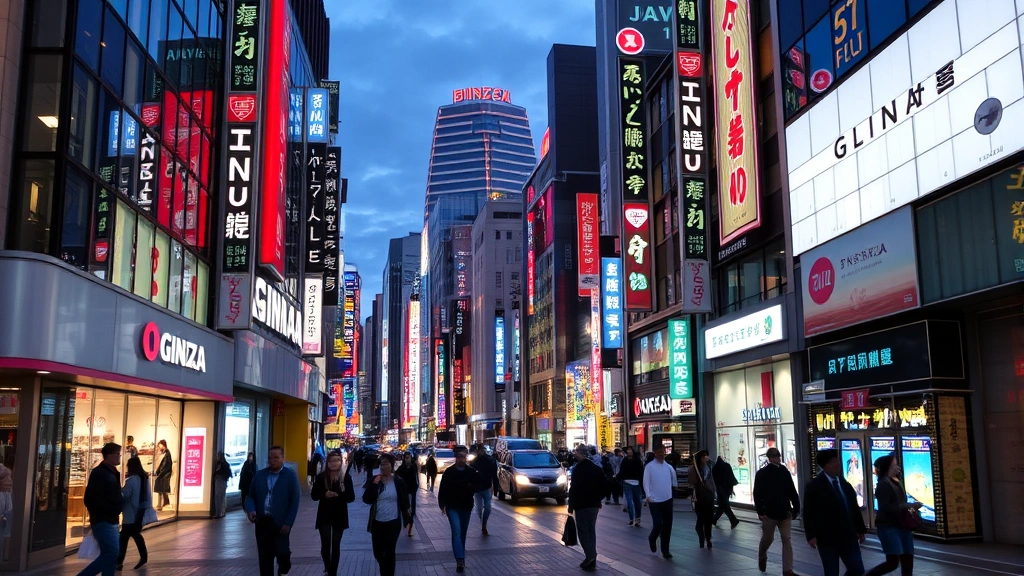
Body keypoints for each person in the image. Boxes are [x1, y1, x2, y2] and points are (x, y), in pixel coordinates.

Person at [804, 449, 867, 576]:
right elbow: (808, 511)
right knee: (831, 571)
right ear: (825, 466)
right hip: (827, 538)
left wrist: (861, 530)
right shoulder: (814, 486)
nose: (838, 464)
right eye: (834, 462)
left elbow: (853, 508)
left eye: (838, 460)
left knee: (857, 569)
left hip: (848, 535)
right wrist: (811, 535)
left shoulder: (844, 484)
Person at [244, 446, 302, 576]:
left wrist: (288, 522)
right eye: (270, 457)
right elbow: (250, 496)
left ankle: (284, 567)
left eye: (276, 457)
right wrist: (251, 510)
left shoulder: (289, 475)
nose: (272, 460)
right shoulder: (260, 475)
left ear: (283, 458)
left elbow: (295, 501)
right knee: (265, 558)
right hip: (263, 522)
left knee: (282, 553)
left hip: (281, 523)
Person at [864, 454, 921, 576]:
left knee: (907, 559)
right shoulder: (883, 484)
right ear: (888, 467)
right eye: (894, 465)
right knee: (893, 562)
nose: (898, 467)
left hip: (902, 526)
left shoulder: (896, 481)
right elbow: (887, 507)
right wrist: (909, 506)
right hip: (889, 526)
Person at [77, 442, 123, 576]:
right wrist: (111, 508)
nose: (119, 457)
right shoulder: (100, 473)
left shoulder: (112, 472)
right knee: (111, 553)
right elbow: (90, 498)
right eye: (117, 454)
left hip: (110, 519)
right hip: (104, 520)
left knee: (110, 554)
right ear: (109, 456)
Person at [363, 453, 412, 576]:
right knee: (378, 553)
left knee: (390, 551)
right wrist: (374, 485)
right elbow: (367, 499)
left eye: (386, 464)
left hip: (393, 522)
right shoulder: (375, 480)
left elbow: (405, 501)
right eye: (382, 464)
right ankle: (385, 570)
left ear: (392, 466)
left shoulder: (399, 481)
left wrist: (408, 518)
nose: (383, 467)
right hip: (377, 522)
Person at [753, 447, 800, 576]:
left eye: (779, 455)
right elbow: (757, 493)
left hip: (784, 511)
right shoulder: (762, 473)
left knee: (787, 539)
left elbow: (791, 490)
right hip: (770, 512)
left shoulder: (784, 471)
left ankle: (787, 570)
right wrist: (760, 511)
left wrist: (796, 506)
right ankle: (762, 555)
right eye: (775, 456)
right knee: (768, 539)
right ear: (770, 458)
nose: (778, 458)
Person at [437, 445, 480, 573]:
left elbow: (478, 486)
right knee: (456, 530)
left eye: (464, 456)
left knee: (462, 533)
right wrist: (442, 504)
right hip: (452, 506)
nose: (462, 459)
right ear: (456, 457)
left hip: (466, 506)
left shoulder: (471, 472)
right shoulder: (449, 472)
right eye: (459, 456)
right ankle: (460, 559)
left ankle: (461, 555)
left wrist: (470, 487)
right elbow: (443, 489)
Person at [312, 451, 355, 576]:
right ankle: (327, 565)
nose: (334, 463)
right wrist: (324, 494)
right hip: (324, 514)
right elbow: (314, 496)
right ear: (327, 463)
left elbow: (351, 497)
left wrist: (341, 493)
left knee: (336, 545)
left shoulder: (345, 477)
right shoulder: (321, 477)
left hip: (340, 515)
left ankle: (333, 572)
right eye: (332, 460)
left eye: (337, 460)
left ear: (341, 462)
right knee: (326, 544)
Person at [568, 444, 605, 571]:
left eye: (576, 452)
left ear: (582, 454)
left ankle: (590, 555)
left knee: (583, 532)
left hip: (581, 504)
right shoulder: (596, 469)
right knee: (591, 531)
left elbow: (574, 488)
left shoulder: (578, 469)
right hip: (594, 505)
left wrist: (571, 506)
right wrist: (598, 498)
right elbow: (605, 486)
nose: (574, 454)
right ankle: (591, 559)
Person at [116, 456, 151, 571]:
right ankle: (142, 557)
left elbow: (125, 494)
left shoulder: (132, 480)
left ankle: (120, 562)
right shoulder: (144, 478)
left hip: (130, 513)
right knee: (134, 534)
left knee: (125, 537)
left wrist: (120, 489)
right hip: (139, 512)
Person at [645, 443, 678, 558]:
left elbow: (674, 482)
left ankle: (665, 550)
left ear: (665, 452)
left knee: (668, 525)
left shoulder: (668, 467)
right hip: (654, 500)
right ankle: (652, 537)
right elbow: (646, 482)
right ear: (655, 453)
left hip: (667, 499)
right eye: (658, 452)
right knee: (658, 523)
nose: (660, 454)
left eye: (662, 452)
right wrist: (648, 495)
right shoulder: (649, 467)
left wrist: (673, 492)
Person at [688, 449, 716, 549]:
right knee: (700, 520)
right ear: (700, 457)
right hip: (699, 498)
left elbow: (712, 481)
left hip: (709, 497)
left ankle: (708, 539)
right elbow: (691, 481)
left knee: (708, 520)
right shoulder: (693, 468)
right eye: (704, 456)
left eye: (707, 456)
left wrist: (714, 492)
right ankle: (701, 537)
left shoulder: (709, 467)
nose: (706, 458)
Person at [469, 444, 497, 536]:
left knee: (484, 507)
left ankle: (483, 523)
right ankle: (483, 523)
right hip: (480, 488)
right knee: (481, 507)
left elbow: (494, 475)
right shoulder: (476, 462)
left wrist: (495, 488)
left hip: (484, 488)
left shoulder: (487, 460)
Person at [617, 446, 644, 527]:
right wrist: (617, 478)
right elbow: (621, 471)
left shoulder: (637, 460)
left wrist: (642, 483)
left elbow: (641, 472)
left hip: (636, 483)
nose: (629, 452)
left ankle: (638, 519)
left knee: (637, 502)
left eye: (630, 450)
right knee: (629, 502)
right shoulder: (624, 460)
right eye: (628, 450)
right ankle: (631, 518)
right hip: (627, 483)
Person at [394, 452, 420, 537]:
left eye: (408, 458)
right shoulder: (401, 468)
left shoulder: (413, 467)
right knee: (405, 510)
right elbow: (396, 476)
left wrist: (416, 486)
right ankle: (406, 524)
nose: (407, 459)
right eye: (406, 458)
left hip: (412, 491)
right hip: (404, 493)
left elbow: (416, 477)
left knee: (412, 511)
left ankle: (410, 527)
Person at [712, 455, 740, 528]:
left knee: (724, 506)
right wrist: (732, 489)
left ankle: (733, 520)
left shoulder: (715, 468)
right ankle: (714, 520)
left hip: (720, 490)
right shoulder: (727, 466)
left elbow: (715, 481)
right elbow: (731, 477)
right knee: (723, 506)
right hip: (727, 489)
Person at [153, 440, 173, 511]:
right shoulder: (165, 452)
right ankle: (163, 503)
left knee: (161, 489)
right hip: (164, 474)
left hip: (164, 474)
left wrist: (160, 472)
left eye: (160, 445)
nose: (159, 446)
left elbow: (165, 465)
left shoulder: (166, 453)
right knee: (162, 490)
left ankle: (162, 504)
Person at [213, 451, 233, 518]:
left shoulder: (224, 465)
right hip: (219, 481)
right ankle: (218, 512)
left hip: (221, 481)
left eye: (219, 456)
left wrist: (219, 475)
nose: (218, 457)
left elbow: (227, 473)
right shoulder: (220, 464)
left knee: (221, 497)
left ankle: (220, 512)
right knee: (218, 497)